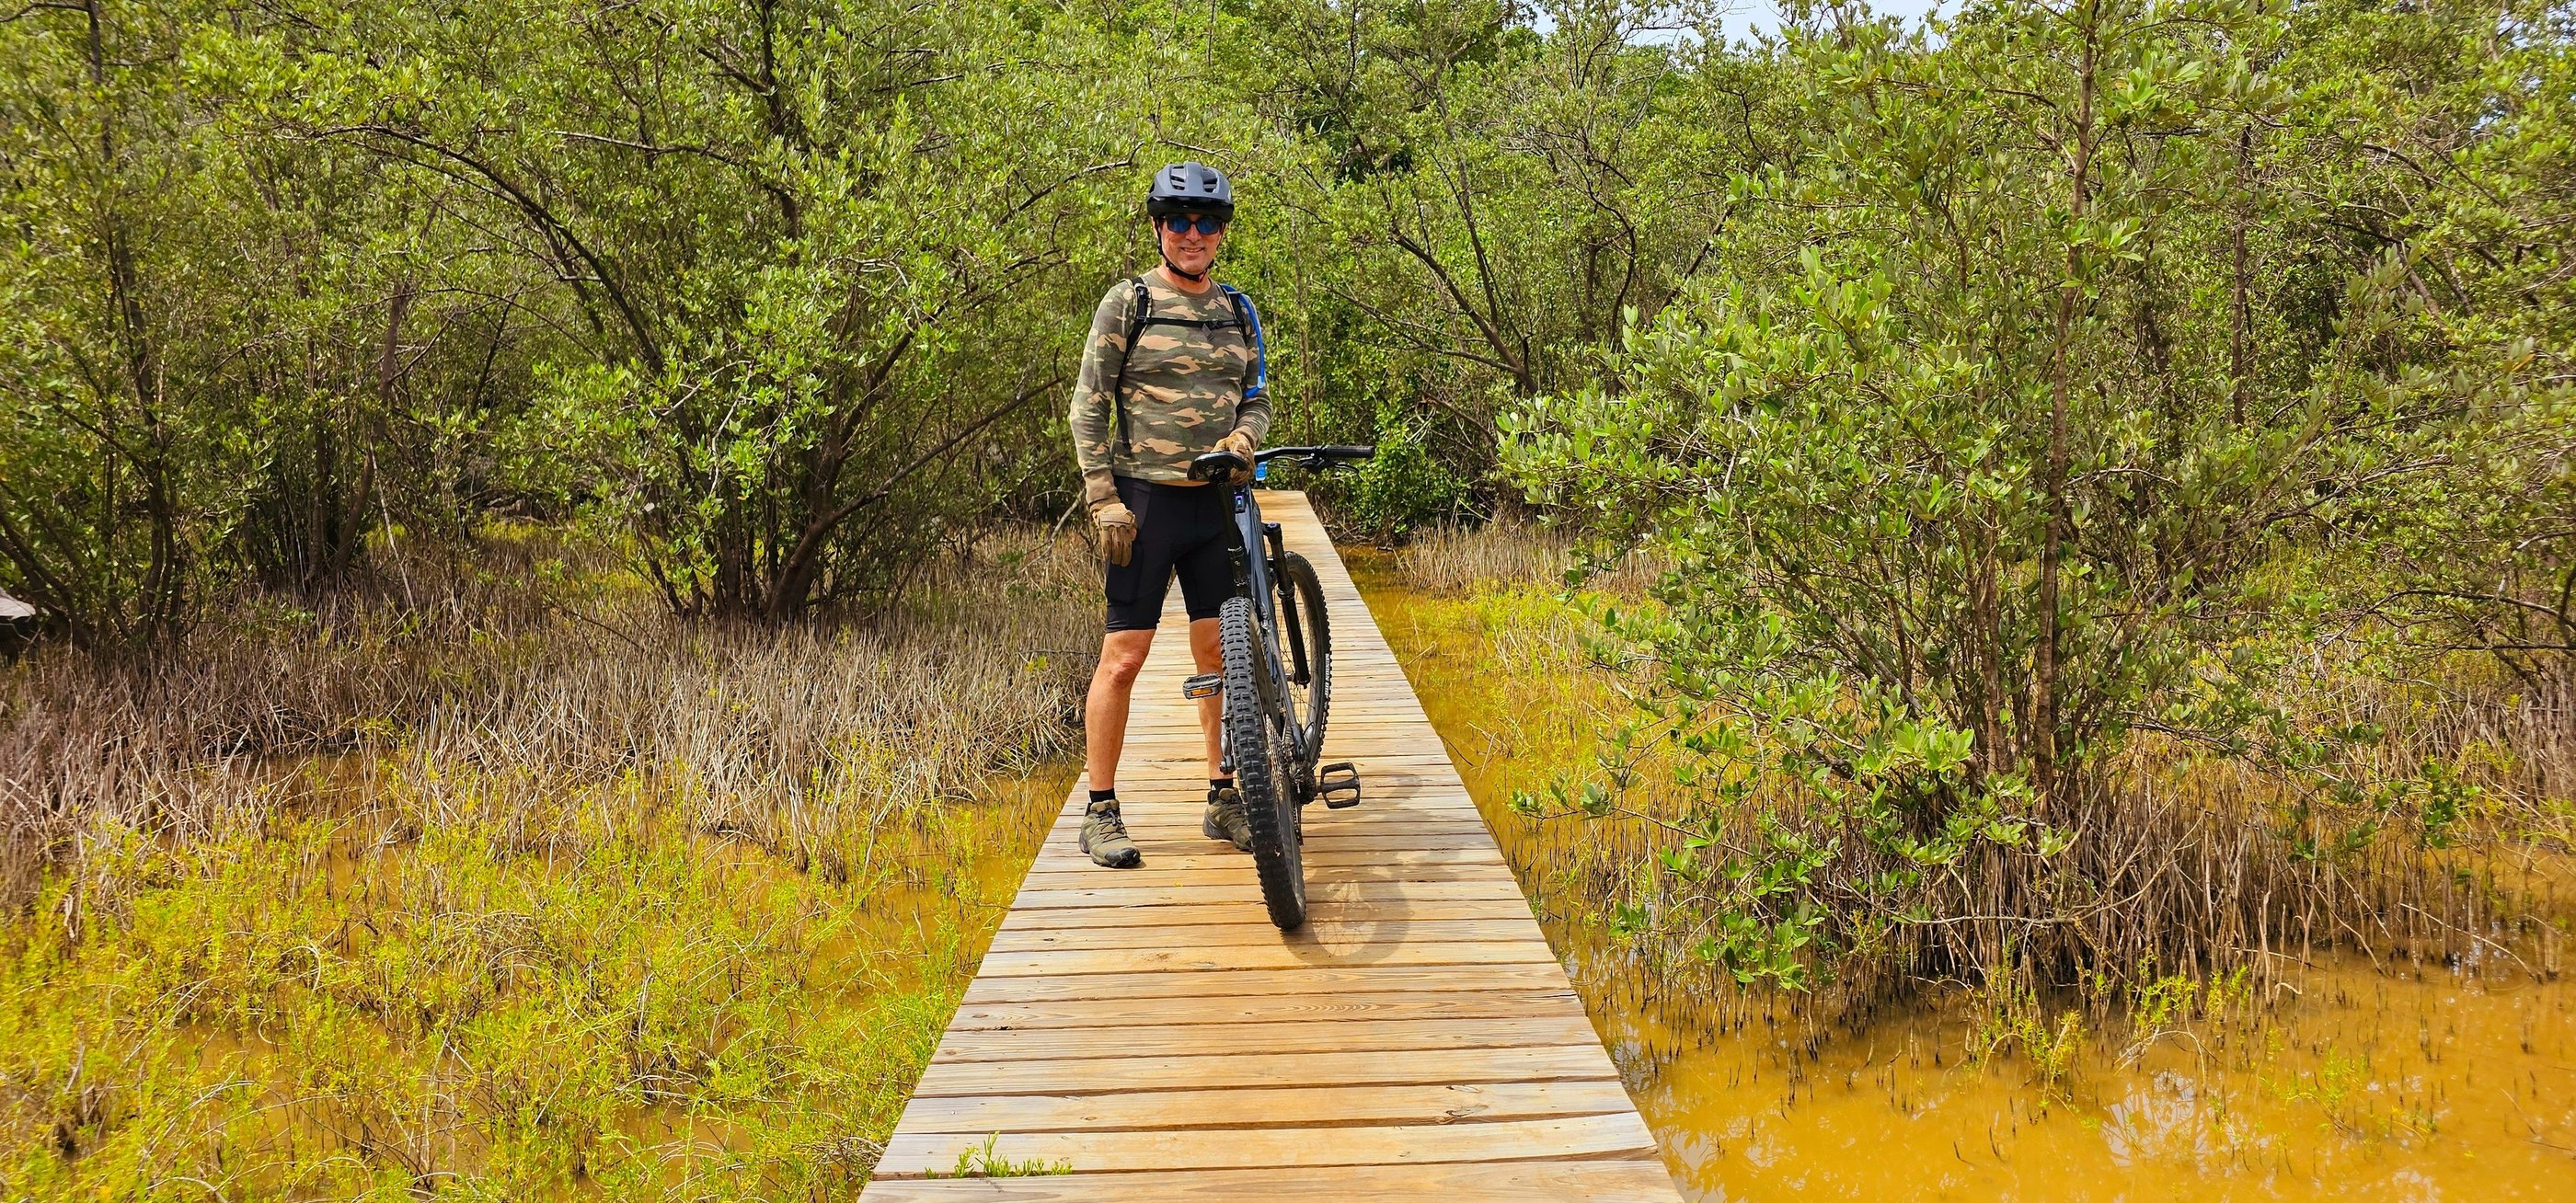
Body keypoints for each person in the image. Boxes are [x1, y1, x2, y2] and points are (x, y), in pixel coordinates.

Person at [1065, 162, 1271, 868]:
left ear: (1221, 234)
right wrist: (1102, 496)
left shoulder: (1238, 310)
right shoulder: (1128, 303)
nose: (1193, 234)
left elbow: (1257, 396)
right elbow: (1090, 402)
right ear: (1158, 227)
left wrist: (1245, 437)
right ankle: (1101, 810)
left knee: (1220, 654)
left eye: (1206, 222)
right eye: (1179, 221)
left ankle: (1223, 795)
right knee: (1124, 656)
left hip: (1215, 504)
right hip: (1143, 505)